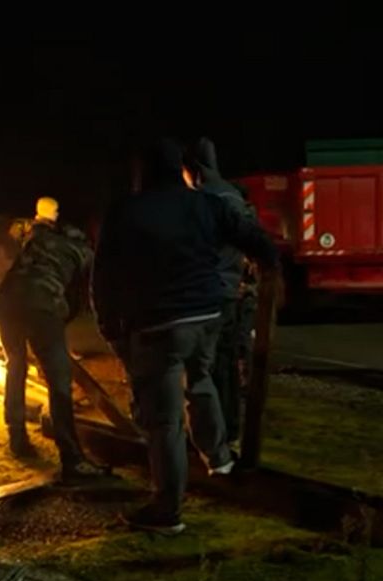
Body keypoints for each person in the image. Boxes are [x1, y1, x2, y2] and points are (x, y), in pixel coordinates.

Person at [93, 138, 278, 534]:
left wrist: (109, 326)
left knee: (164, 421)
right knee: (201, 377)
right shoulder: (207, 203)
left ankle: (167, 511)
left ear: (141, 171)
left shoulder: (126, 211)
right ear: (179, 168)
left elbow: (104, 278)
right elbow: (258, 242)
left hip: (159, 324)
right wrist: (269, 267)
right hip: (208, 316)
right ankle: (219, 457)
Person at [0, 196, 107, 481]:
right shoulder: (85, 253)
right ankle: (72, 459)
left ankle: (17, 436)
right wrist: (53, 332)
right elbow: (79, 300)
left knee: (16, 365)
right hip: (42, 302)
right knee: (59, 379)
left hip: (5, 299)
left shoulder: (36, 233)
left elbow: (16, 230)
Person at [186, 138, 259, 446]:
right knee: (227, 364)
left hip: (206, 294)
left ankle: (208, 439)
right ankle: (230, 429)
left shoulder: (203, 199)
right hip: (231, 293)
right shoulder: (235, 197)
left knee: (202, 369)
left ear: (195, 170)